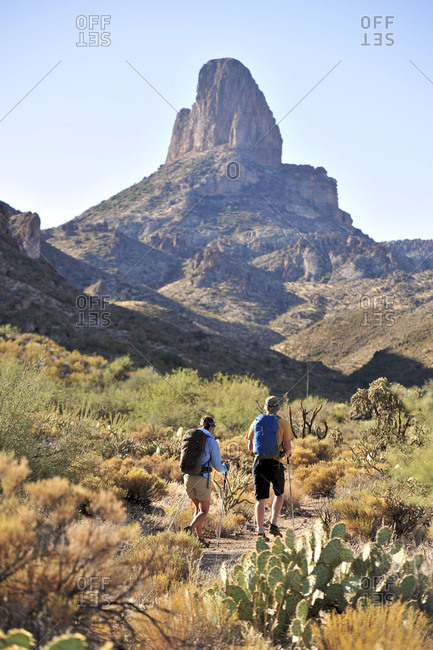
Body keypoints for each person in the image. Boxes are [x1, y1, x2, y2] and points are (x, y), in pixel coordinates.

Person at [246, 395, 294, 540]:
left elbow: (250, 447)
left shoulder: (256, 421)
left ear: (265, 408)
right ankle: (273, 523)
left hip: (259, 463)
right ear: (278, 408)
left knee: (260, 499)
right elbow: (288, 448)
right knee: (279, 494)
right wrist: (286, 455)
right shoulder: (284, 423)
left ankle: (260, 531)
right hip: (276, 463)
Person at [183, 415, 229, 547]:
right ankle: (190, 528)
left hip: (187, 477)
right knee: (204, 511)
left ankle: (200, 538)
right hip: (202, 478)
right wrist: (226, 468)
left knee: (198, 508)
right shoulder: (211, 440)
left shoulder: (191, 436)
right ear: (212, 426)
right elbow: (218, 466)